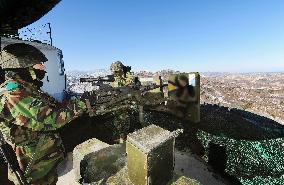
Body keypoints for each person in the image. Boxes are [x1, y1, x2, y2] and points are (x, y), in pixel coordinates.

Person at [0, 43, 87, 185]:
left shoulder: (28, 88)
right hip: (33, 168)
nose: (43, 67)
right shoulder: (13, 92)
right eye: (39, 63)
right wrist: (84, 104)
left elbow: (56, 107)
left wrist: (76, 102)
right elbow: (50, 118)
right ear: (24, 66)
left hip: (45, 159)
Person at [110, 61, 137, 143]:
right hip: (122, 106)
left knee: (119, 123)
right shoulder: (118, 81)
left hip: (118, 106)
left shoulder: (114, 80)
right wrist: (129, 73)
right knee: (124, 123)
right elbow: (129, 84)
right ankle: (123, 139)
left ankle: (121, 137)